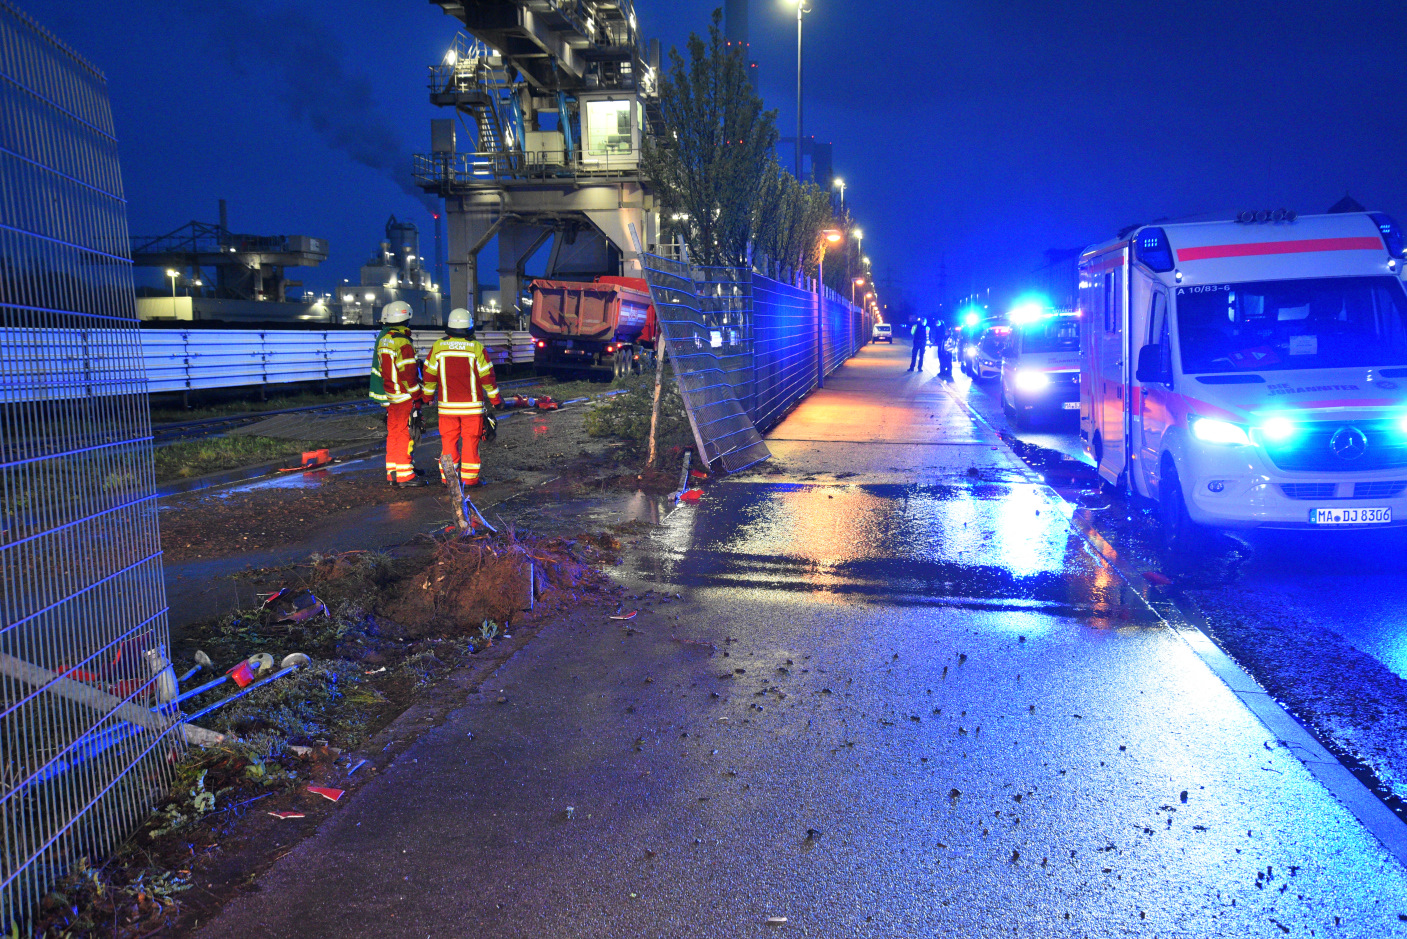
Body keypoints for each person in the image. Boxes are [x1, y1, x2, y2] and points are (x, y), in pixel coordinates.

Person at [423, 307, 504, 488]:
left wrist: (427, 397)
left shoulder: (438, 347)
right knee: (470, 442)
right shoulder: (476, 348)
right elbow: (487, 378)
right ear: (469, 328)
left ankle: (449, 479)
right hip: (471, 408)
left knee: (448, 442)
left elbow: (428, 374)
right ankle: (470, 480)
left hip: (447, 408)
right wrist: (496, 401)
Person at [369, 300, 426, 488]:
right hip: (404, 396)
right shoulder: (402, 342)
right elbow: (409, 375)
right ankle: (404, 475)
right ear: (405, 319)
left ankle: (393, 471)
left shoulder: (385, 339)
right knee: (404, 433)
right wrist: (418, 395)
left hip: (392, 395)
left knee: (393, 432)